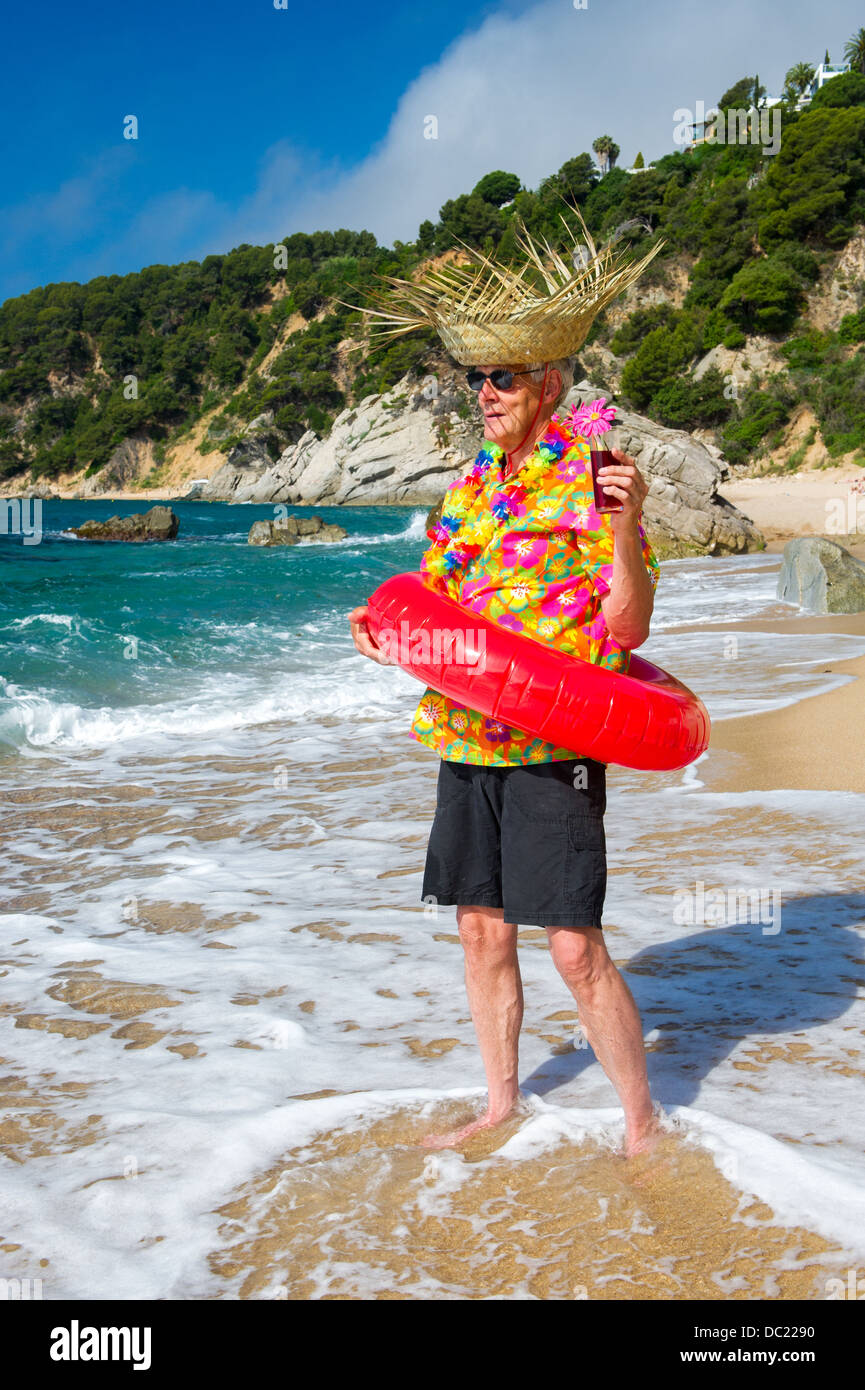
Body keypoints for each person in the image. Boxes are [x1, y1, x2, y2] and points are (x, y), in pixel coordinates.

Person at [346, 212, 667, 1156]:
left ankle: (641, 1127)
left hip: (554, 744)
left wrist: (623, 527)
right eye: (474, 379)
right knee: (481, 934)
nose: (483, 393)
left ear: (548, 384)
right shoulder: (467, 490)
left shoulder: (597, 476)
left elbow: (630, 626)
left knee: (572, 945)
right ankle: (498, 1105)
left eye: (501, 378)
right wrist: (382, 635)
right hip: (465, 733)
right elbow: (433, 605)